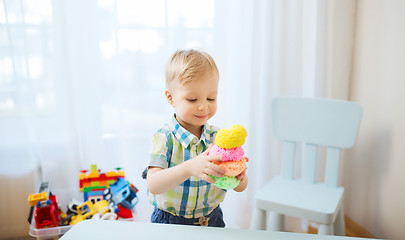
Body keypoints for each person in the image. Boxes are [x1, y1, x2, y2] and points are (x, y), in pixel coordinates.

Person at [145, 49, 248, 227]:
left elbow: (240, 187)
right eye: (192, 99)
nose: (203, 107)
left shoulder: (218, 138)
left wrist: (239, 177)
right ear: (171, 98)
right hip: (169, 221)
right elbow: (153, 184)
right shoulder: (164, 137)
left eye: (211, 98)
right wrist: (189, 168)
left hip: (210, 220)